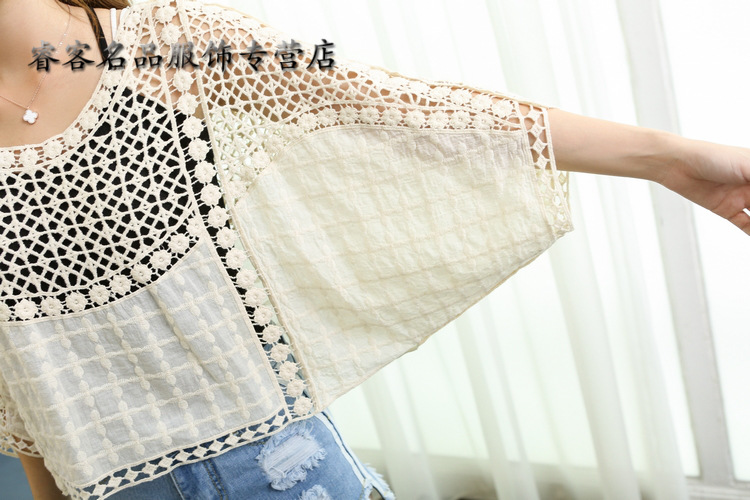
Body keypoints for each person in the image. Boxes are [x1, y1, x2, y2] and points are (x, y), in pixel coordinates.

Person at [0, 0, 749, 499]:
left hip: (292, 476)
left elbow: (406, 108)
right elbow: (25, 384)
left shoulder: (168, 42)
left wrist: (668, 158)